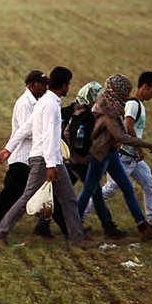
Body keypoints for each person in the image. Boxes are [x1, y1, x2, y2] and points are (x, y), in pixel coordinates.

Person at [0, 67, 89, 248]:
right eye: (69, 84)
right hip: (45, 159)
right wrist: (51, 165)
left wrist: (8, 149)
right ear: (64, 84)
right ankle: (0, 233)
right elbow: (49, 135)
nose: (69, 87)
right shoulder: (50, 105)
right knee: (28, 197)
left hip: (51, 159)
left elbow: (26, 127)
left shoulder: (45, 101)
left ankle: (77, 238)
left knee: (68, 199)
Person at [73, 74, 152, 240]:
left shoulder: (110, 105)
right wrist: (145, 144)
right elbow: (122, 136)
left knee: (127, 188)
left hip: (111, 153)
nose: (127, 95)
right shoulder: (108, 112)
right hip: (100, 154)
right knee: (90, 189)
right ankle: (73, 224)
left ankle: (143, 226)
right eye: (124, 92)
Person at [0, 70, 49, 242]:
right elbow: (26, 130)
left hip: (29, 157)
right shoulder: (25, 104)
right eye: (42, 84)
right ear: (32, 85)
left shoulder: (37, 102)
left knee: (44, 193)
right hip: (21, 158)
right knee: (11, 196)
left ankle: (63, 229)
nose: (45, 88)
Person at [40, 81, 103, 239]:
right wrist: (78, 156)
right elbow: (76, 138)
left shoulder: (67, 110)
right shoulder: (85, 114)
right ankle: (102, 225)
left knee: (60, 194)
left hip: (62, 157)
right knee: (91, 190)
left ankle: (44, 224)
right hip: (72, 159)